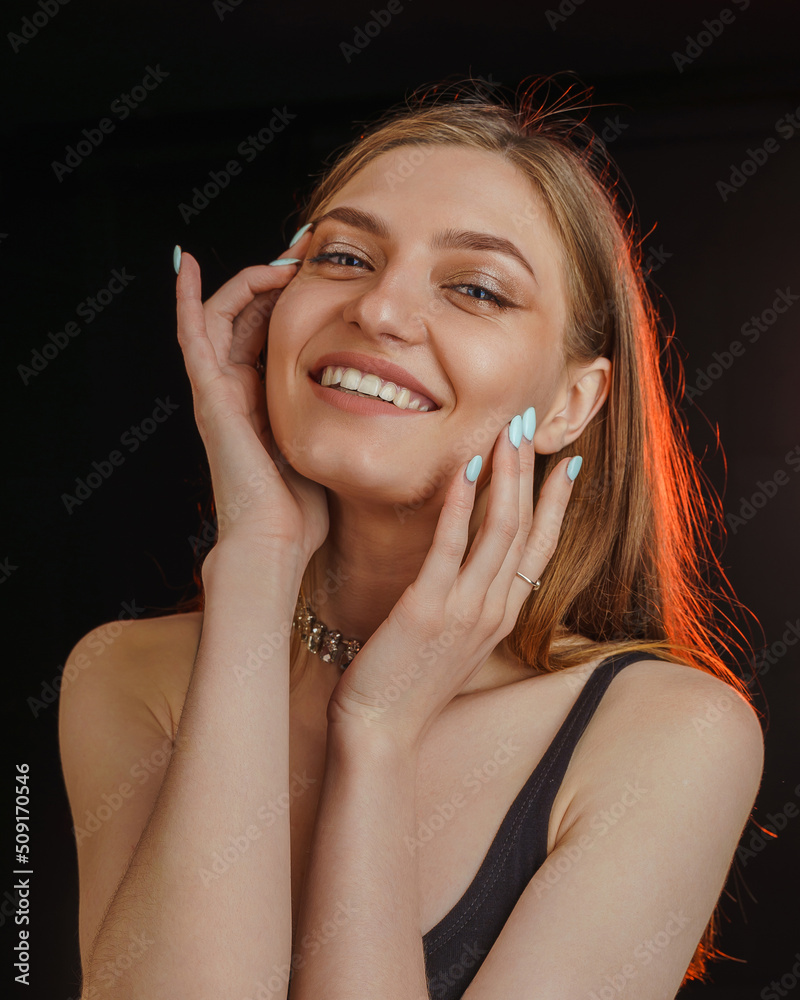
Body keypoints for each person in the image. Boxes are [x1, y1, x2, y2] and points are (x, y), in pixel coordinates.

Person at [59, 76, 764, 1000]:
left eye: (475, 287)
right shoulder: (124, 676)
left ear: (571, 404)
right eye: (345, 257)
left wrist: (377, 736)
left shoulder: (668, 736)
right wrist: (258, 561)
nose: (380, 311)